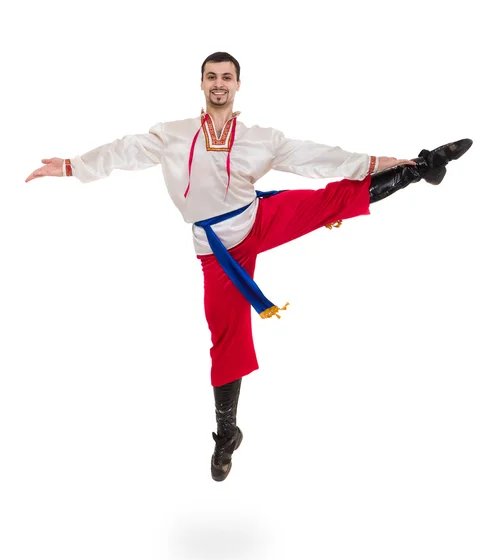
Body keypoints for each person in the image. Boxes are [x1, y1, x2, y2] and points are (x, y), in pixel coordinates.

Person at [25, 51, 473, 482]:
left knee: (330, 199)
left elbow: (317, 156)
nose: (219, 84)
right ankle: (226, 436)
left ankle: (423, 166)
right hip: (218, 247)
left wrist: (382, 161)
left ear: (238, 85)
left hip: (258, 219)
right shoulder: (172, 134)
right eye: (211, 77)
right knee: (227, 336)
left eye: (227, 78)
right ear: (201, 83)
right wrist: (71, 166)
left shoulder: (262, 138)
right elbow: (123, 151)